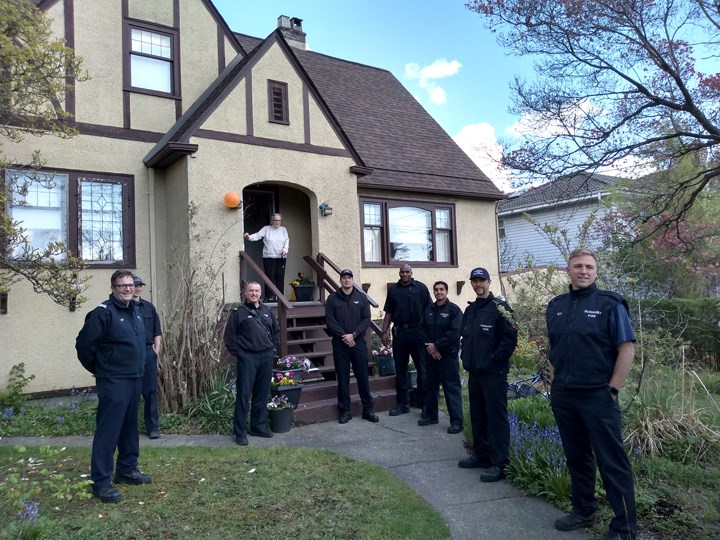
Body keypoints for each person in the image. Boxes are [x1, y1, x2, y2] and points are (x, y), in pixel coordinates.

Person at [546, 248, 637, 540]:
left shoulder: (610, 304)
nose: (583, 271)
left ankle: (624, 528)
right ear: (568, 270)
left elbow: (627, 349)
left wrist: (612, 389)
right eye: (578, 266)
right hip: (565, 396)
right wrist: (553, 378)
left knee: (612, 461)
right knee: (577, 457)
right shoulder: (556, 306)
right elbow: (554, 347)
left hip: (598, 396)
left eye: (589, 267)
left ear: (596, 272)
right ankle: (583, 511)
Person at [76, 270, 152, 503]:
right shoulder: (103, 314)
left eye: (131, 285)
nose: (128, 289)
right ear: (113, 288)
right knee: (108, 431)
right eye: (122, 286)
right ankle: (100, 482)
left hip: (134, 378)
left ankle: (127, 470)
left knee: (129, 428)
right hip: (113, 380)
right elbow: (84, 347)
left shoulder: (136, 311)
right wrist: (101, 370)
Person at [458, 267, 517, 483]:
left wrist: (493, 361)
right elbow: (465, 338)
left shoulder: (501, 309)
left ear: (489, 282)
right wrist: (466, 357)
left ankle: (499, 462)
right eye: (474, 281)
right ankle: (481, 455)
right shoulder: (471, 310)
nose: (478, 284)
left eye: (481, 280)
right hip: (475, 373)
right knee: (478, 416)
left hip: (494, 374)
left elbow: (509, 340)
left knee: (496, 419)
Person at [223, 281, 280, 445]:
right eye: (251, 291)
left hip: (266, 357)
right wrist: (241, 354)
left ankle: (258, 426)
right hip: (248, 358)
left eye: (257, 291)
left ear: (260, 293)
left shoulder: (267, 311)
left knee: (261, 394)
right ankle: (240, 432)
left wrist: (273, 349)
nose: (254, 293)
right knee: (244, 395)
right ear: (246, 294)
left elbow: (276, 332)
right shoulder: (238, 313)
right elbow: (229, 338)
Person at [324, 268, 379, 424]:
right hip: (340, 344)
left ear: (352, 279)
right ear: (340, 280)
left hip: (358, 343)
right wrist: (345, 337)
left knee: (363, 377)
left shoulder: (361, 298)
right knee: (342, 379)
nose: (346, 280)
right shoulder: (332, 299)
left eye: (349, 277)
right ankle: (345, 411)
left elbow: (366, 319)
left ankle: (368, 409)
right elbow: (330, 321)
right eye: (344, 278)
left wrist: (353, 335)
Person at [381, 264, 432, 416]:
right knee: (400, 369)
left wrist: (429, 333)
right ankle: (402, 404)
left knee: (422, 369)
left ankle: (424, 404)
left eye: (407, 272)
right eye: (402, 272)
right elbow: (388, 313)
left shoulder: (421, 288)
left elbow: (429, 311)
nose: (404, 274)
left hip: (418, 331)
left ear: (411, 273)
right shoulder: (393, 290)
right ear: (399, 273)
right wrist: (384, 332)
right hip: (400, 332)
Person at [421, 280, 464, 434]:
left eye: (441, 289)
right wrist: (431, 348)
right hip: (431, 355)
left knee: (451, 388)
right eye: (436, 290)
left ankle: (457, 422)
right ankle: (431, 416)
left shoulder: (454, 310)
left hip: (448, 356)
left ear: (446, 291)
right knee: (431, 386)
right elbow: (422, 329)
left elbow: (454, 333)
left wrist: (437, 346)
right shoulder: (428, 309)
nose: (439, 292)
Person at [132, 275, 163, 439]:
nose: (137, 289)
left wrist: (156, 351)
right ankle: (130, 428)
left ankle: (153, 428)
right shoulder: (126, 307)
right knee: (132, 392)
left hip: (148, 352)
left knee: (151, 391)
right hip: (130, 354)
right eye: (135, 285)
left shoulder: (149, 307)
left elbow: (157, 331)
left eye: (139, 286)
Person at [243, 213, 289, 301]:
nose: (277, 222)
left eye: (279, 220)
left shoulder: (283, 230)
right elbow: (257, 235)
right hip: (268, 256)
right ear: (272, 221)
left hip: (281, 257)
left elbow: (287, 241)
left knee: (279, 276)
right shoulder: (266, 229)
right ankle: (269, 296)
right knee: (269, 277)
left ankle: (280, 298)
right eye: (275, 220)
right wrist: (248, 237)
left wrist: (285, 250)